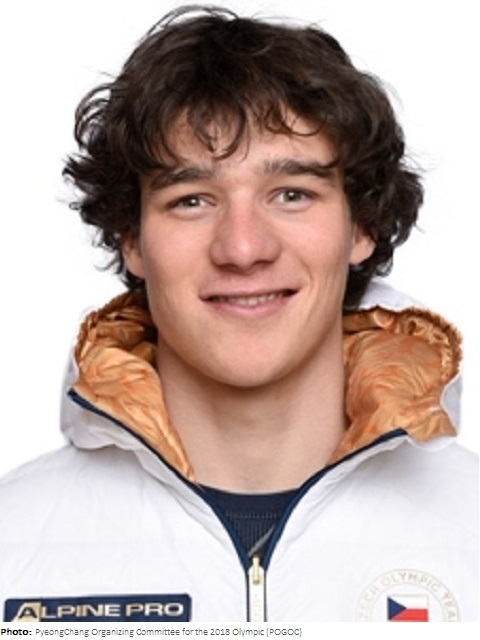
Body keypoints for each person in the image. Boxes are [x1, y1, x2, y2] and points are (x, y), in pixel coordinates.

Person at [0, 4, 477, 623]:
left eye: (292, 194)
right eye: (192, 200)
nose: (243, 248)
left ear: (361, 225)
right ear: (132, 238)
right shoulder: (14, 541)